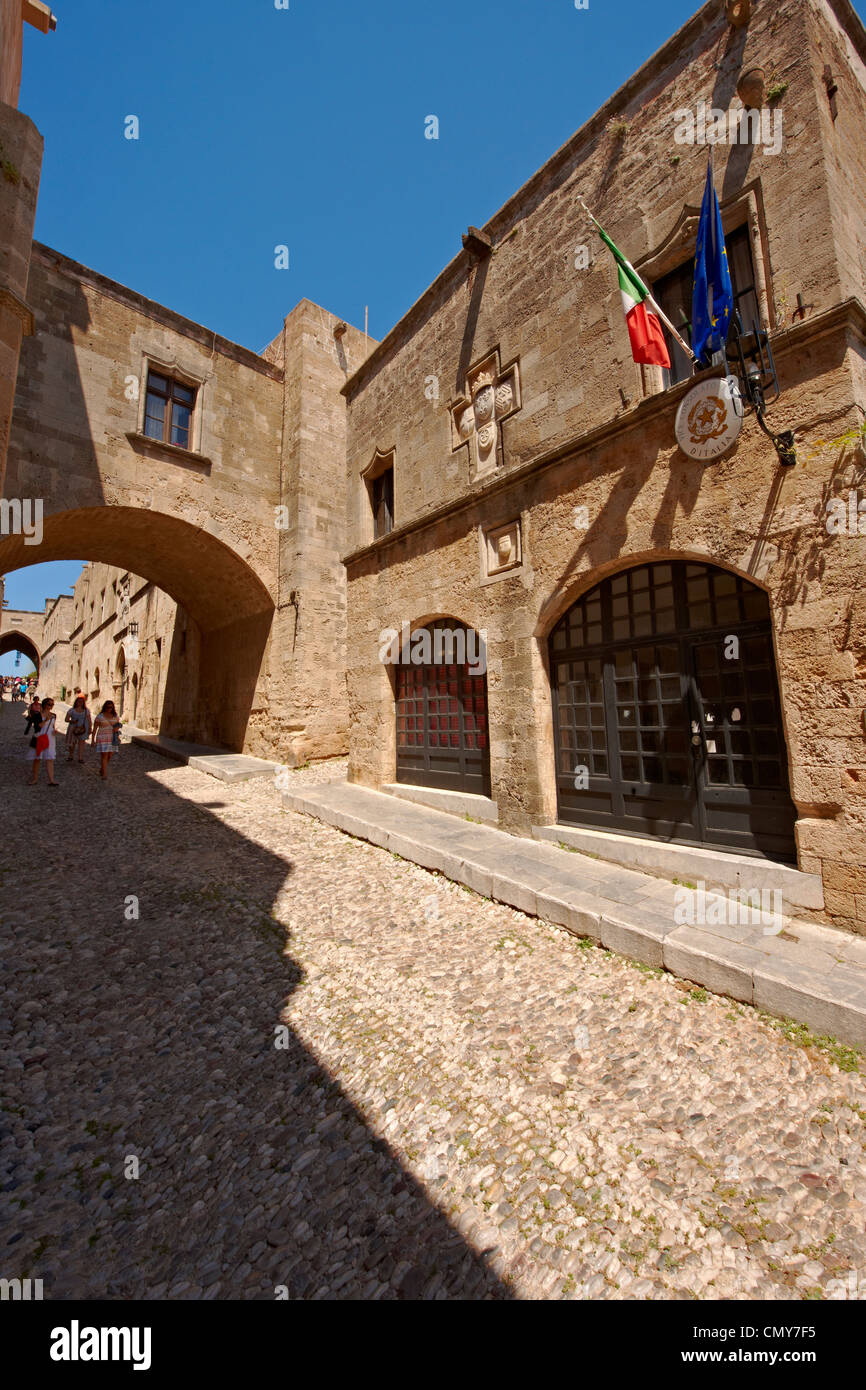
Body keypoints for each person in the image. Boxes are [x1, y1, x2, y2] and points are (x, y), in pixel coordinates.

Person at [27, 696, 58, 787]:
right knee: (37, 759)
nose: (51, 706)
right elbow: (37, 727)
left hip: (50, 738)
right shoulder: (38, 715)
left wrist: (54, 731)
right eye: (49, 704)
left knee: (50, 759)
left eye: (52, 704)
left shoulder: (54, 715)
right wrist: (46, 720)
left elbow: (52, 726)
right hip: (40, 737)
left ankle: (51, 780)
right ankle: (35, 779)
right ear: (44, 705)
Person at [92, 699, 122, 780]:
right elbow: (95, 728)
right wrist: (92, 740)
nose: (109, 709)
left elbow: (118, 725)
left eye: (111, 707)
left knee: (110, 755)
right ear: (105, 707)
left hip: (112, 738)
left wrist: (117, 729)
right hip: (102, 737)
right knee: (104, 755)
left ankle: (102, 769)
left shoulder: (115, 716)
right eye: (108, 707)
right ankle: (105, 774)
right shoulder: (100, 717)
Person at [64, 696, 91, 762]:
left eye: (82, 702)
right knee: (72, 743)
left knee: (81, 743)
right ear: (76, 702)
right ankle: (71, 755)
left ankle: (80, 757)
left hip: (83, 728)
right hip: (73, 728)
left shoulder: (86, 711)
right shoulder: (71, 710)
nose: (80, 703)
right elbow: (66, 719)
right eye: (79, 702)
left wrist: (90, 728)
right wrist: (72, 721)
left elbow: (89, 720)